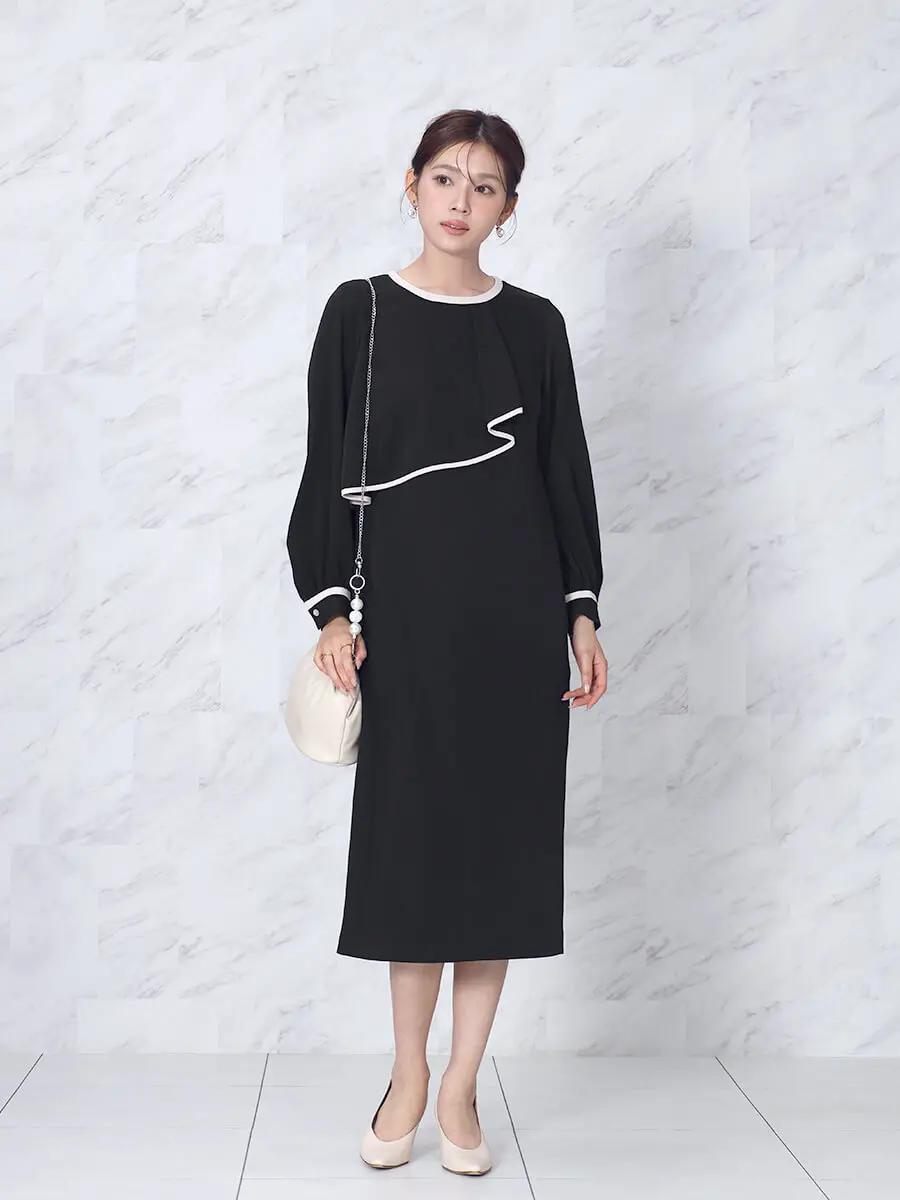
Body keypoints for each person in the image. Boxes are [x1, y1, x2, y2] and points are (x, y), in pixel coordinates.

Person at [286, 108, 607, 1175]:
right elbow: (325, 466)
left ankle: (463, 1085)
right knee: (414, 854)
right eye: (445, 178)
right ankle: (409, 1075)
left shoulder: (536, 326)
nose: (462, 201)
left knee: (499, 855)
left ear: (509, 207)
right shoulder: (362, 312)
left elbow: (563, 473)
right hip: (410, 626)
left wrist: (581, 611)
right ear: (412, 184)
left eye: (486, 186)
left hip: (516, 624)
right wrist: (334, 611)